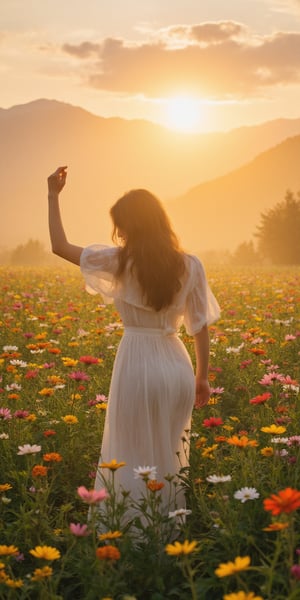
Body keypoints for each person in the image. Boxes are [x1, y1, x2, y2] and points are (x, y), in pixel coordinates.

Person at [47, 166, 220, 519]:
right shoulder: (191, 265)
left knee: (130, 452)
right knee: (169, 453)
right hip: (176, 365)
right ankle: (167, 532)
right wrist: (202, 378)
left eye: (120, 224)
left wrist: (53, 195)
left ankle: (132, 536)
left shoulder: (118, 261)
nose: (119, 232)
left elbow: (59, 246)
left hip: (137, 361)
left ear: (130, 226)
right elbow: (199, 327)